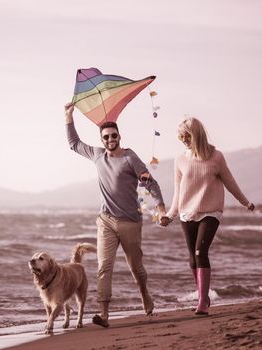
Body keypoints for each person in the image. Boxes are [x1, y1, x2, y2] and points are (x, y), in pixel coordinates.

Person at [64, 103, 166, 328]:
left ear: (119, 136)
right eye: (106, 137)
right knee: (104, 266)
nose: (110, 139)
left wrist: (160, 209)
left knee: (136, 268)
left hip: (130, 221)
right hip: (106, 221)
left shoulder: (130, 158)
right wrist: (68, 116)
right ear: (102, 140)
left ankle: (144, 294)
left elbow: (151, 183)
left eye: (113, 135)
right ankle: (104, 314)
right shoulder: (97, 155)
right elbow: (73, 144)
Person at [160, 116, 255, 315]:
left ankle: (202, 300)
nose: (183, 139)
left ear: (196, 135)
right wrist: (170, 215)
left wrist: (245, 202)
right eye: (180, 136)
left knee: (199, 253)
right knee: (192, 258)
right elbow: (178, 191)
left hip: (211, 211)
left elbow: (230, 182)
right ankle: (204, 294)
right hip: (187, 212)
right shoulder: (180, 160)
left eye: (186, 135)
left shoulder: (216, 157)